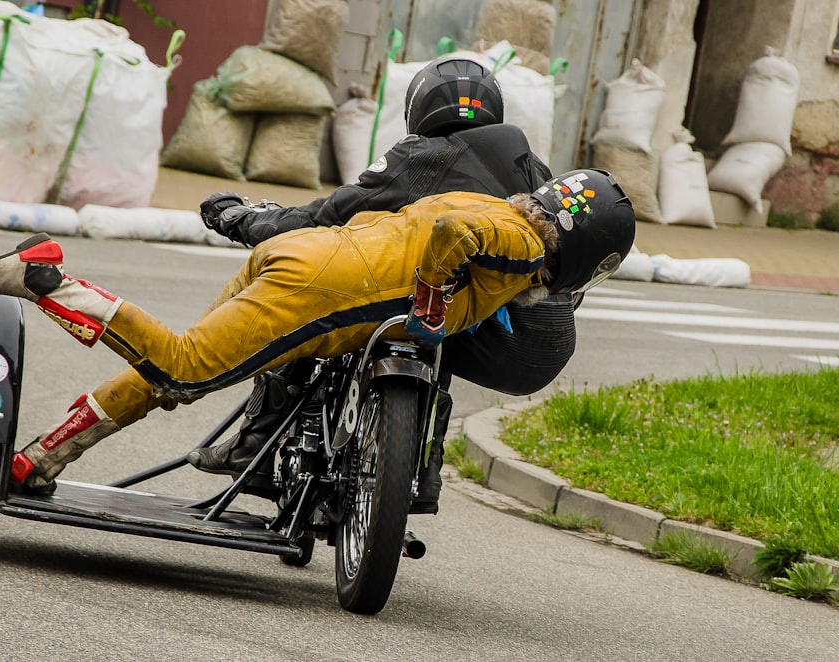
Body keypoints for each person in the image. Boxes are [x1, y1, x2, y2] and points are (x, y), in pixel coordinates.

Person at [0, 171, 635, 495]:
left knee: (172, 371)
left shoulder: (484, 199)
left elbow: (432, 218)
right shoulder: (525, 248)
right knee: (188, 368)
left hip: (301, 258)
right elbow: (456, 239)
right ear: (583, 250)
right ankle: (48, 279)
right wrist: (429, 307)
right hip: (317, 296)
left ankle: (43, 457)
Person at [188, 55, 574, 511]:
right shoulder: (539, 174)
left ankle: (254, 445)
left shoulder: (418, 157)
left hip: (452, 312)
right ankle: (427, 470)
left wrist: (239, 219)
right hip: (538, 342)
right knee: (446, 317)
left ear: (420, 108)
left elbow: (325, 215)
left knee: (316, 300)